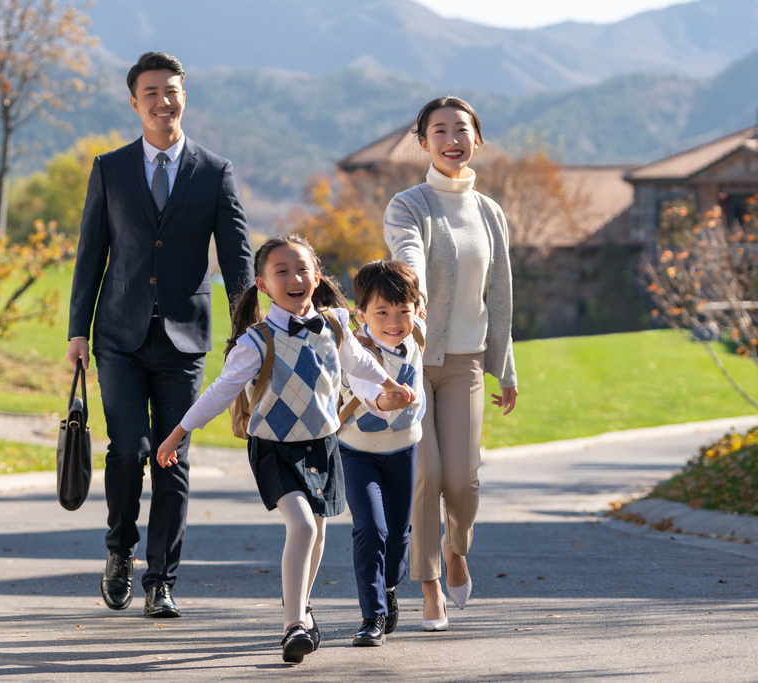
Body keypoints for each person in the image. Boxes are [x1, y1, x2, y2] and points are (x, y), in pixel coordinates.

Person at [155, 235, 416, 663]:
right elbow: (220, 393)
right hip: (275, 449)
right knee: (305, 527)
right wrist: (177, 433)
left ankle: (303, 609)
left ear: (316, 277)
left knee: (317, 534)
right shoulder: (255, 343)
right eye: (281, 271)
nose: (294, 278)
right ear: (262, 284)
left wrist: (390, 385)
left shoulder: (333, 325)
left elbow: (359, 363)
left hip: (323, 445)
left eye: (302, 269)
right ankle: (294, 625)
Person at [66, 52, 253, 619]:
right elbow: (90, 255)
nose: (163, 101)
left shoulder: (214, 171)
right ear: (135, 102)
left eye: (172, 90)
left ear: (183, 98)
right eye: (151, 92)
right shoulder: (110, 167)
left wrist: (249, 331)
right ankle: (119, 553)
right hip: (118, 337)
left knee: (174, 457)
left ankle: (162, 580)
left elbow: (238, 257)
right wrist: (78, 330)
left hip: (184, 341)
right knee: (127, 450)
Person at [383, 96, 518, 631]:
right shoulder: (408, 204)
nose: (451, 138)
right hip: (414, 360)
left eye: (461, 129)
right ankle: (430, 583)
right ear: (424, 143)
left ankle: (456, 547)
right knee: (426, 476)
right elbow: (406, 251)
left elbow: (501, 294)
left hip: (465, 361)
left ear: (477, 140)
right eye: (439, 130)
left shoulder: (490, 212)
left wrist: (503, 366)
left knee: (462, 479)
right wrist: (411, 287)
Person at [338, 260, 427, 646]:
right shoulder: (355, 352)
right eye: (381, 313)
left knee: (399, 533)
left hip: (404, 449)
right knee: (371, 529)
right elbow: (373, 398)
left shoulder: (419, 333)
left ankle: (389, 587)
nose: (394, 322)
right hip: (357, 453)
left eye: (402, 311)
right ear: (362, 315)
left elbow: (420, 300)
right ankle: (372, 615)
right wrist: (391, 398)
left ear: (417, 311)